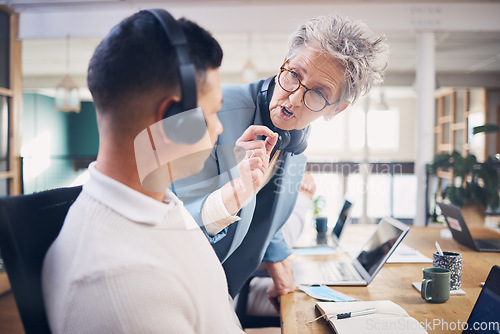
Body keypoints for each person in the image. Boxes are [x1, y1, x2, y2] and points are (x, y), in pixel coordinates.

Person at [42, 9, 244, 333]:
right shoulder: (123, 283)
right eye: (213, 112)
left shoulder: (159, 206)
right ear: (173, 119)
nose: (219, 127)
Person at [174, 14, 389, 308]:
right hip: (180, 288)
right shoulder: (210, 111)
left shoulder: (296, 142)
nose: (294, 99)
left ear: (336, 110)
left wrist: (278, 262)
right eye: (294, 75)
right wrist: (235, 193)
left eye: (318, 93)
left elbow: (267, 219)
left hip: (223, 292)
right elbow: (178, 226)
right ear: (283, 62)